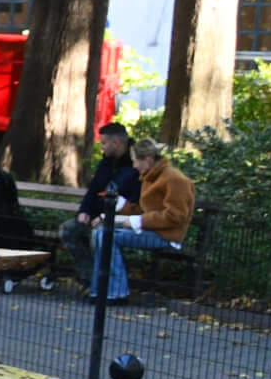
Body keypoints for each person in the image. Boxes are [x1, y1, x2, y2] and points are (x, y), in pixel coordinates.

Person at [80, 139, 194, 303]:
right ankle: (100, 291)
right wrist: (123, 206)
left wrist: (137, 221)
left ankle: (116, 293)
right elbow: (144, 210)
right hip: (151, 230)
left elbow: (175, 216)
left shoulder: (174, 179)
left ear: (147, 160)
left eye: (135, 161)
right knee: (100, 233)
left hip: (167, 236)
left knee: (107, 236)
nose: (133, 166)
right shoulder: (150, 176)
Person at [58, 123, 142, 283]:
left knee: (97, 235)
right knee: (68, 230)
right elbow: (93, 189)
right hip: (96, 215)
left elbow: (133, 203)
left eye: (103, 143)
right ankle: (89, 278)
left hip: (118, 218)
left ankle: (103, 284)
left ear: (116, 143)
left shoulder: (136, 165)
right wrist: (84, 211)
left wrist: (105, 217)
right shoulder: (106, 162)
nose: (101, 147)